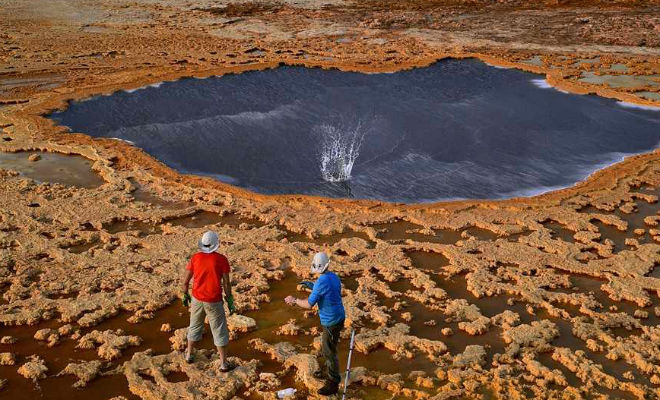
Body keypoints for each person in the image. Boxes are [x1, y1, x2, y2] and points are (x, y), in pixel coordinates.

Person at [285, 252, 345, 396]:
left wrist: (294, 300)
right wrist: (312, 286)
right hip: (339, 316)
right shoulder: (333, 277)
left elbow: (309, 304)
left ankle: (333, 383)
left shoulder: (321, 282)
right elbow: (327, 290)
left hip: (331, 321)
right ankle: (327, 371)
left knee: (329, 350)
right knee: (328, 346)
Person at [181, 230, 236, 371]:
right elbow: (226, 283)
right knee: (219, 329)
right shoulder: (221, 260)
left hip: (197, 299)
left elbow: (185, 281)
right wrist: (229, 299)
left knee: (194, 326)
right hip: (213, 300)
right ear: (216, 244)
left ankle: (188, 355)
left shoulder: (195, 258)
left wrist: (185, 294)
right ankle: (223, 363)